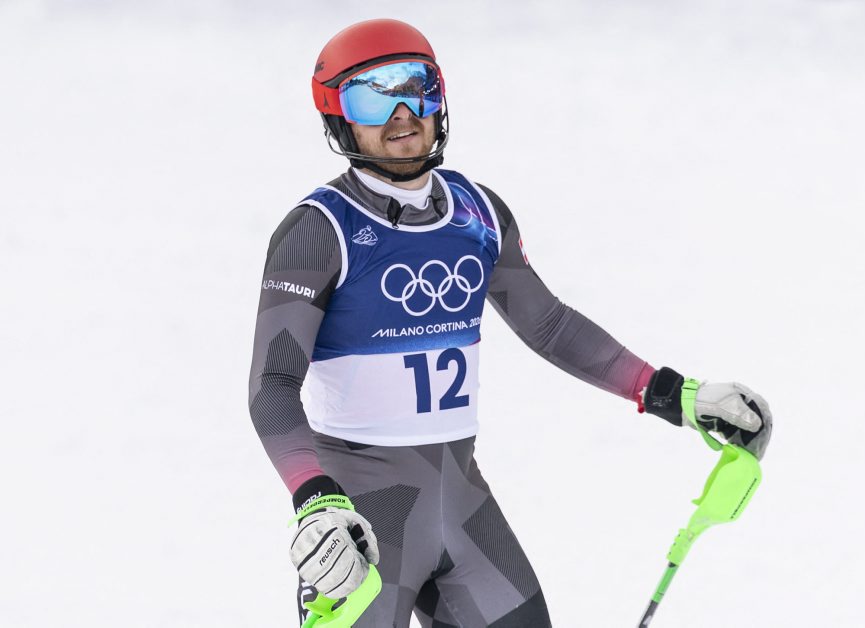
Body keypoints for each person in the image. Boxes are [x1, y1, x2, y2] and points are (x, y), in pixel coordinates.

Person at [247, 18, 772, 628]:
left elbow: (549, 325)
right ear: (339, 118)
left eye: (418, 87)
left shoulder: (477, 212)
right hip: (362, 526)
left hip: (465, 513)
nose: (402, 113)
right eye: (372, 97)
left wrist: (673, 394)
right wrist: (315, 499)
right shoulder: (317, 231)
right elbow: (273, 386)